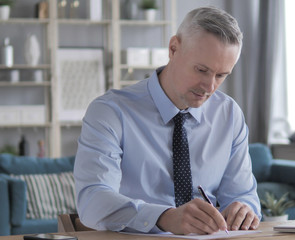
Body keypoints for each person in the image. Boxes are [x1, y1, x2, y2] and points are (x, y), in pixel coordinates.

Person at [74, 6, 261, 235]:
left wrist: (245, 209)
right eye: (201, 70)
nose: (210, 87)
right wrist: (164, 217)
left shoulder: (229, 115)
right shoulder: (110, 112)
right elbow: (93, 201)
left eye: (221, 75)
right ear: (174, 48)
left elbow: (243, 196)